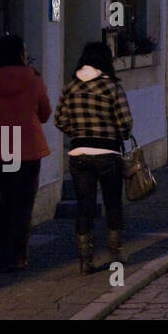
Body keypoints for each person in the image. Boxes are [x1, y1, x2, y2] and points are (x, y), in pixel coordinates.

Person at [54, 41, 134, 274]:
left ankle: (85, 258)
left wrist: (78, 134)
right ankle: (114, 252)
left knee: (84, 205)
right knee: (112, 203)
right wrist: (115, 133)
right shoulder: (111, 87)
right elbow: (125, 122)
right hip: (108, 153)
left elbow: (59, 119)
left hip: (79, 153)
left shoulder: (70, 87)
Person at [0, 35, 50, 270]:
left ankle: (2, 253)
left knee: (7, 198)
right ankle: (19, 255)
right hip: (28, 148)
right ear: (21, 53)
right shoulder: (33, 78)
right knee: (24, 203)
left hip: (0, 149)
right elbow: (45, 112)